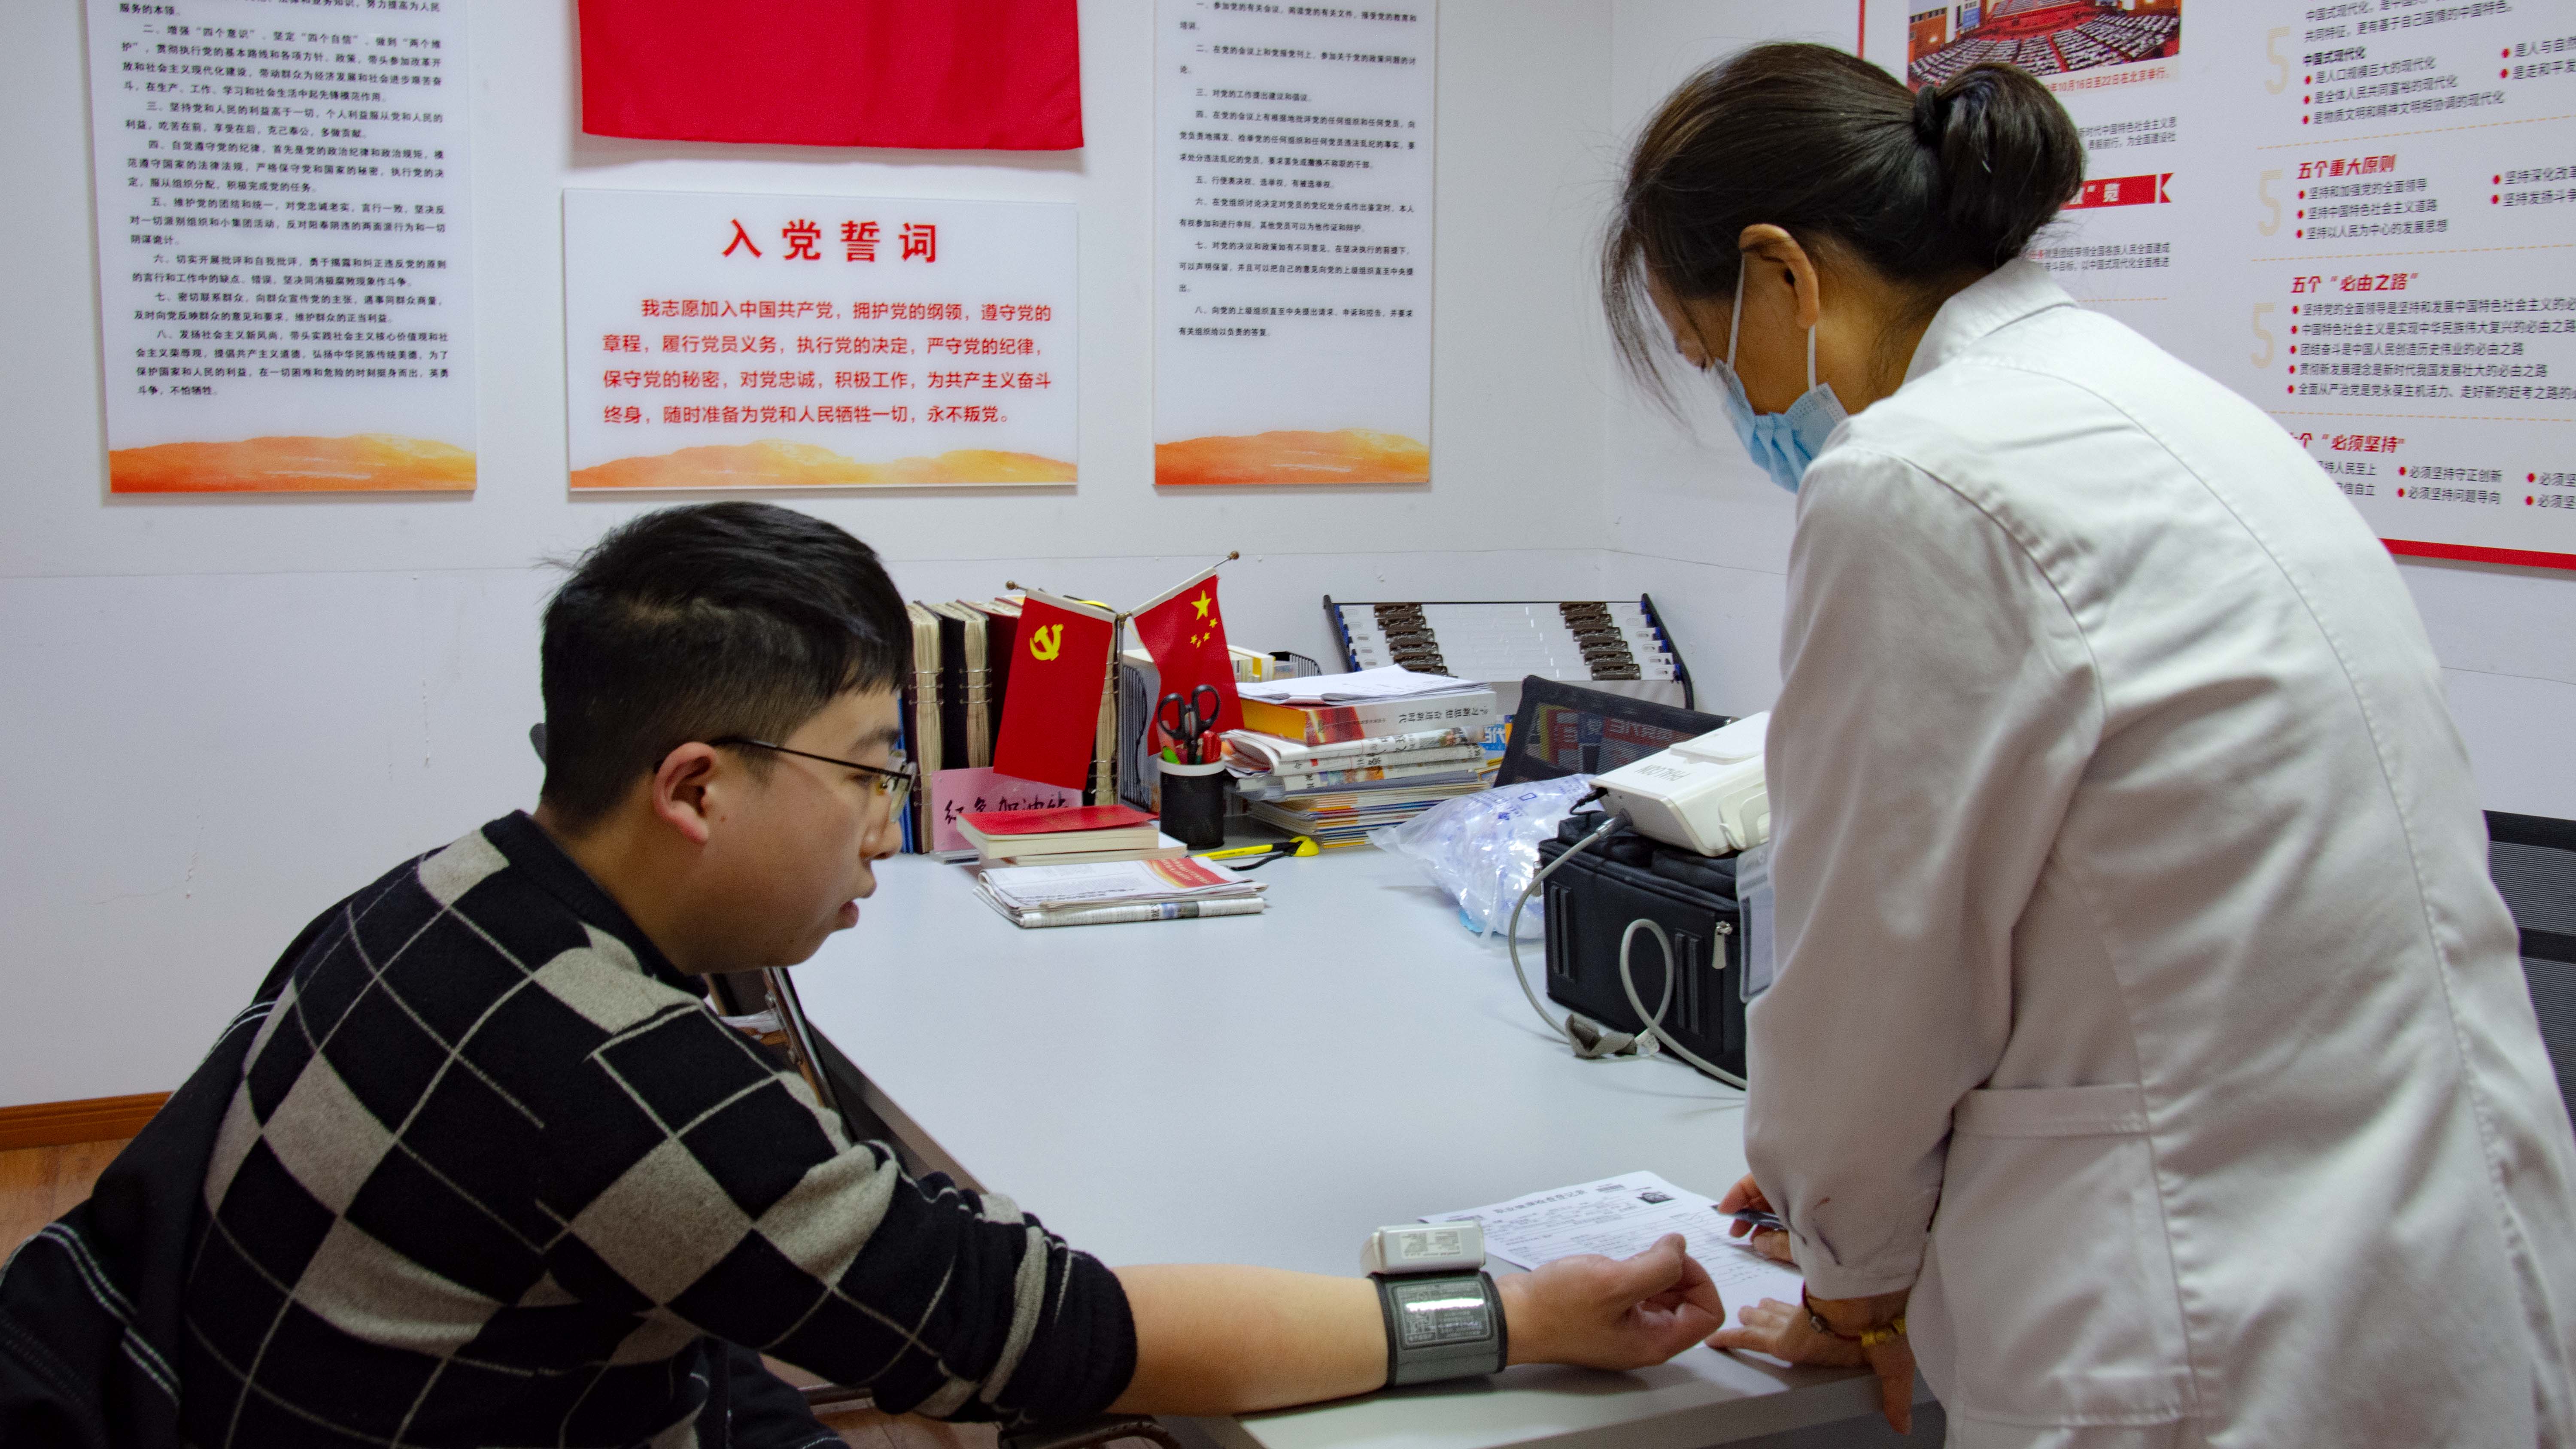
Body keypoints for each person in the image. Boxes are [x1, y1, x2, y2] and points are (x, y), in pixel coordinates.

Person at [7, 502, 1724, 1446]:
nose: (892, 820)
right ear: (696, 787)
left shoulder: (439, 893)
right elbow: (1044, 1331)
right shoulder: (625, 1085)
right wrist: (1514, 1316)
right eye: (869, 769)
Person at [1602, 43, 2576, 1448]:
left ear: (1784, 275)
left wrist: (1852, 1266)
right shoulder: (2164, 402)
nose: (1739, 401)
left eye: (1713, 354)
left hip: (2213, 1311)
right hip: (2444, 1247)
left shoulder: (1913, 477)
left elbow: (1873, 980)